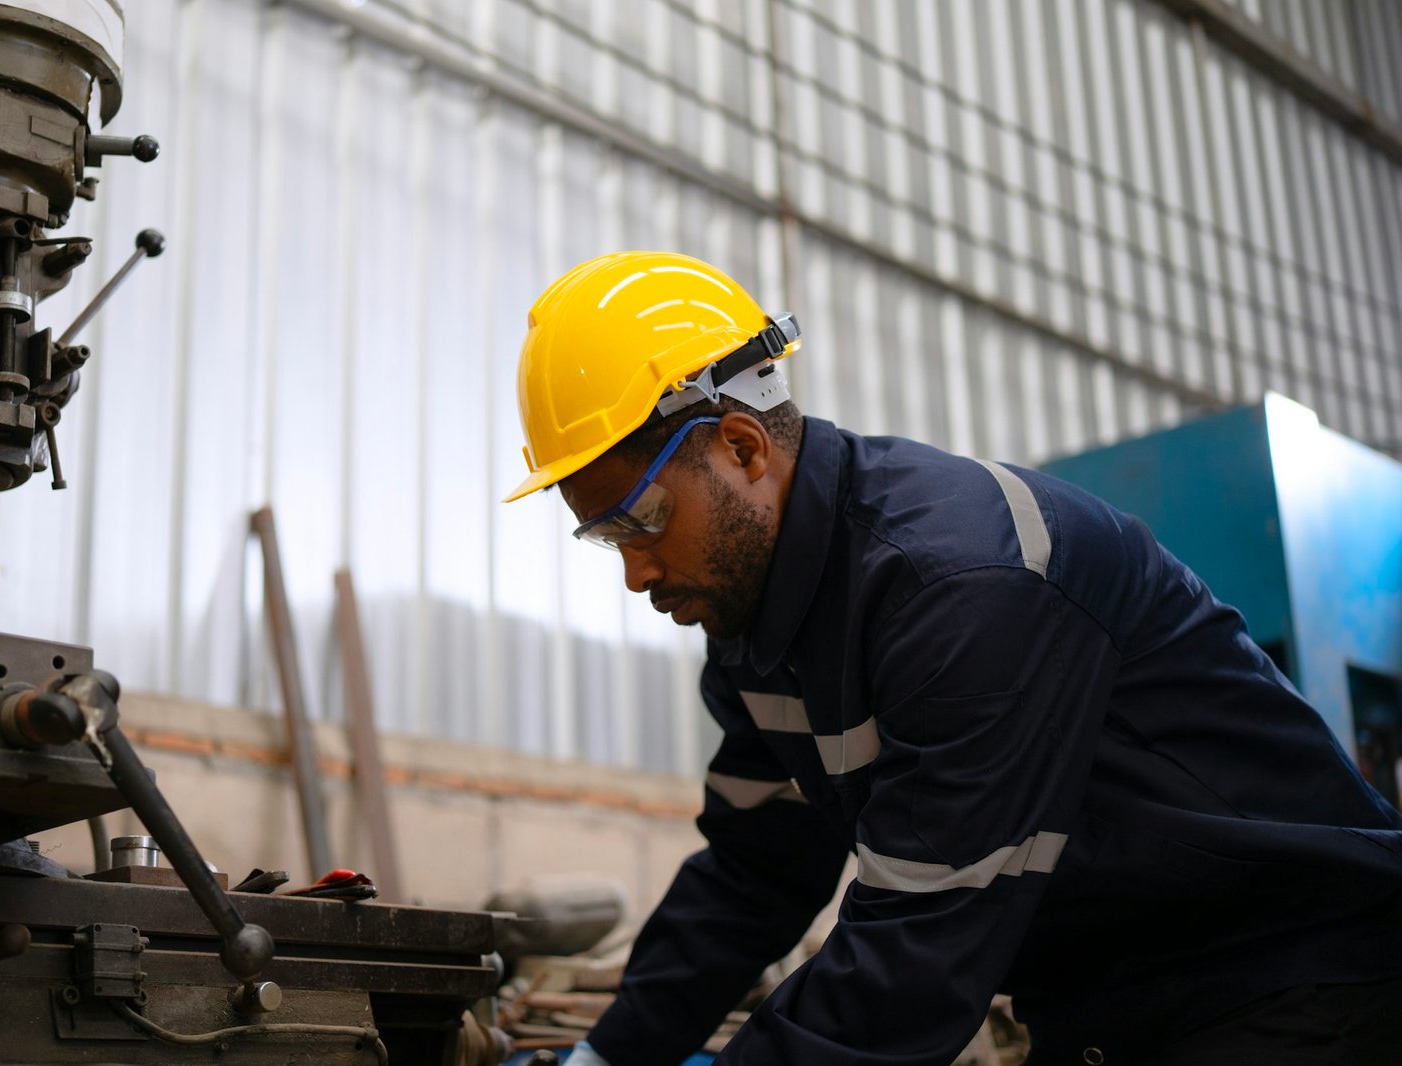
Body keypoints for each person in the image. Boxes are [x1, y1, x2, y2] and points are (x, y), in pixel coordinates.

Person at [502, 251, 1402, 1066]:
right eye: (602, 537)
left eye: (643, 521)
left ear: (742, 448)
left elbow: (909, 962)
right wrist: (605, 1059)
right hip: (1113, 1010)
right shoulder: (754, 635)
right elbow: (754, 874)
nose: (634, 572)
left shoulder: (960, 582)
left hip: (1296, 981)